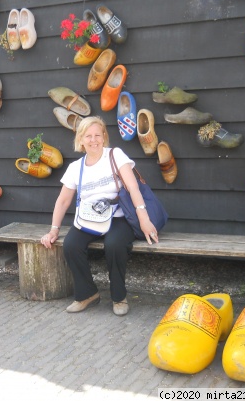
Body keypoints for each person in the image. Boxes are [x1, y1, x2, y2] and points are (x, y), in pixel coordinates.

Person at [40, 116, 159, 316]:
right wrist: (54, 229)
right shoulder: (75, 167)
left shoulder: (115, 155)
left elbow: (133, 188)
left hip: (118, 216)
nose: (93, 140)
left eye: (98, 134)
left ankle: (119, 297)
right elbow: (63, 201)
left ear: (104, 136)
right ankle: (87, 294)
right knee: (71, 245)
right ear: (81, 139)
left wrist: (144, 219)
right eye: (88, 136)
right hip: (90, 218)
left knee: (114, 245)